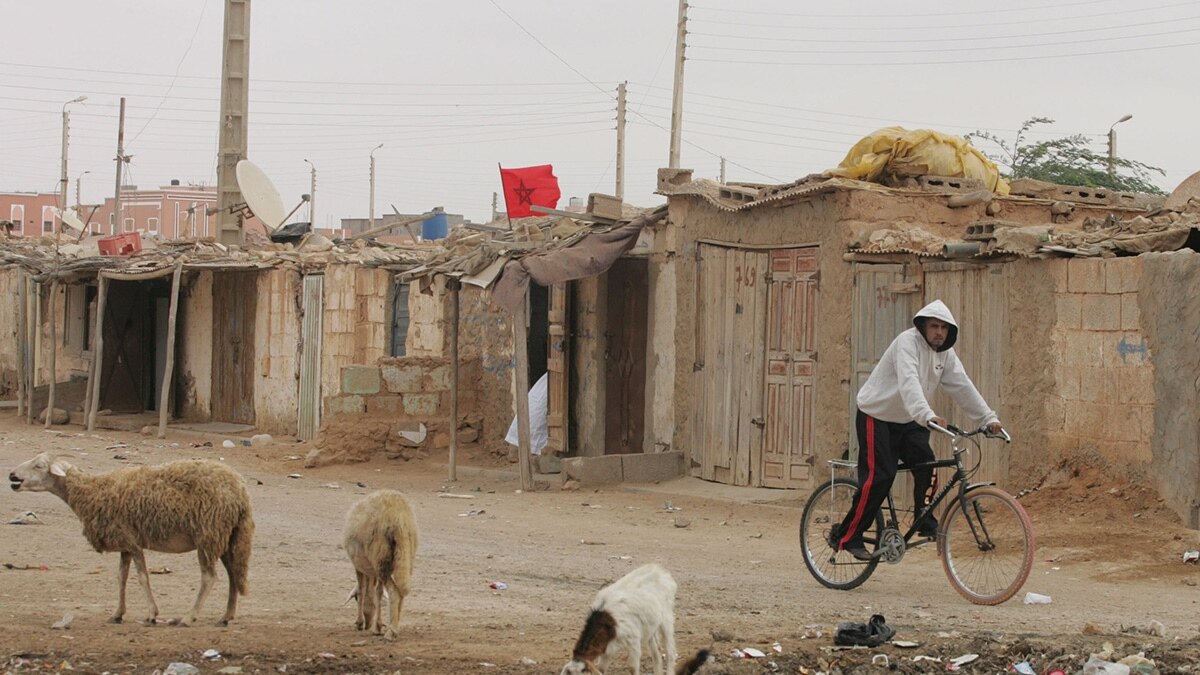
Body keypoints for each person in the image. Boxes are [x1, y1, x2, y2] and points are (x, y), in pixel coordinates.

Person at [830, 299, 1003, 561]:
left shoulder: (944, 353)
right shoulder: (906, 343)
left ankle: (923, 517)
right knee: (881, 477)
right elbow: (908, 383)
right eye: (934, 326)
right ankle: (847, 536)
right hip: (877, 415)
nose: (939, 333)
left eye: (944, 328)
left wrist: (988, 418)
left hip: (909, 419)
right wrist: (927, 415)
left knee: (927, 465)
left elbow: (962, 386)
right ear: (922, 326)